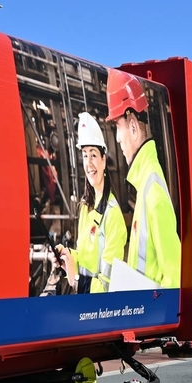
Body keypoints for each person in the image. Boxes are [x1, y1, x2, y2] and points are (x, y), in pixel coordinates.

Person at [107, 69, 181, 288]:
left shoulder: (152, 189)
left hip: (152, 317)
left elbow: (173, 274)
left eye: (118, 128)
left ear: (132, 126)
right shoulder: (144, 186)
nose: (118, 139)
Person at [57, 112, 128, 293]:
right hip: (84, 306)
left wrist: (76, 280)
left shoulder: (113, 216)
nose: (89, 164)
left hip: (99, 313)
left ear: (104, 160)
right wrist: (67, 256)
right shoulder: (86, 207)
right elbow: (84, 258)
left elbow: (107, 286)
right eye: (85, 155)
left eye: (94, 155)